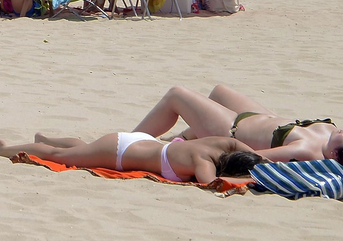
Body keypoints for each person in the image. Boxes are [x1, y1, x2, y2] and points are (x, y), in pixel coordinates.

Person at [131, 85, 343, 162]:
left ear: (335, 154)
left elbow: (252, 159)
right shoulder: (330, 134)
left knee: (176, 95)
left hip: (232, 130)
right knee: (219, 92)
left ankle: (131, 142)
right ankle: (187, 135)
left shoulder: (306, 150)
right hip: (261, 118)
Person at [0, 132, 263, 183]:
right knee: (61, 157)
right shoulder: (204, 165)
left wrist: (263, 161)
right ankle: (2, 148)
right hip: (120, 152)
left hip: (138, 141)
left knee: (83, 149)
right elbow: (212, 183)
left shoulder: (217, 145)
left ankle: (44, 139)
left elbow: (235, 142)